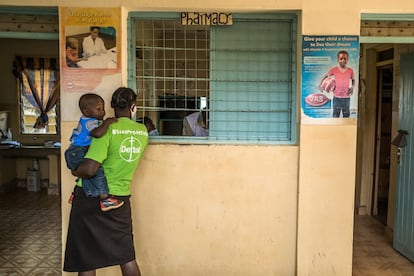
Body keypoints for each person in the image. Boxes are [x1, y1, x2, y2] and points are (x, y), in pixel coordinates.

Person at [64, 87, 149, 275]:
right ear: (133, 107)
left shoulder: (107, 129)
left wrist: (74, 172)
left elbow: (89, 169)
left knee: (87, 259)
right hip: (120, 199)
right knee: (126, 256)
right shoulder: (142, 131)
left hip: (90, 200)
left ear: (111, 106)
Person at [64, 93, 122, 211]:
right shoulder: (90, 121)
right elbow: (97, 134)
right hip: (77, 151)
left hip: (75, 151)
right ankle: (105, 199)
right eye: (99, 109)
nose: (103, 112)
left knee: (86, 174)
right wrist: (107, 123)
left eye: (103, 108)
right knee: (95, 170)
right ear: (86, 111)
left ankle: (75, 195)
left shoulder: (88, 119)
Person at [319, 50, 355, 118]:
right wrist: (320, 85)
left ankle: (346, 128)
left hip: (346, 97)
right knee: (335, 115)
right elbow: (325, 76)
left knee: (346, 115)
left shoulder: (350, 70)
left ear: (348, 59)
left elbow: (353, 80)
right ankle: (335, 128)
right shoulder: (334, 70)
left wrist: (352, 87)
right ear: (338, 59)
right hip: (336, 97)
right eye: (341, 59)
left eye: (345, 59)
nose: (343, 60)